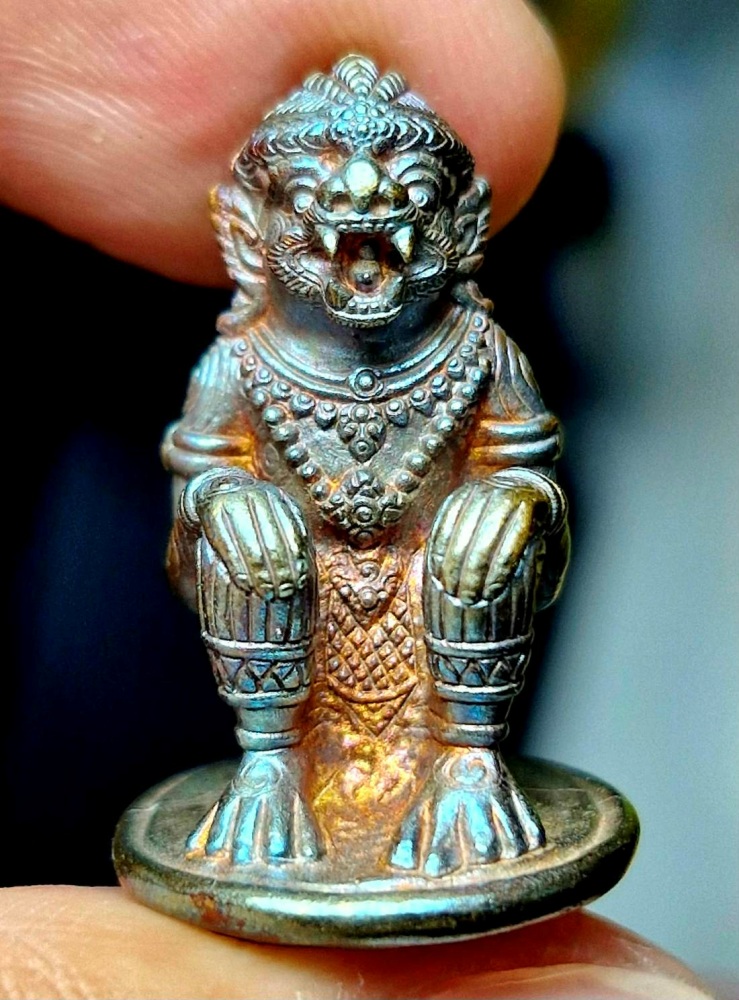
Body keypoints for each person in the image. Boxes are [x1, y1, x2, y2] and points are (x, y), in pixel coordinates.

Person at [0, 0, 714, 995]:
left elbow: (529, 479)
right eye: (313, 196)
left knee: (488, 523)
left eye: (408, 195)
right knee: (237, 530)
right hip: (283, 636)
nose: (367, 209)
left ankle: (466, 762)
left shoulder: (479, 353)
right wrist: (222, 500)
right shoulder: (239, 365)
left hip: (444, 631)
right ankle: (268, 764)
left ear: (458, 228)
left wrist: (512, 501)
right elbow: (192, 502)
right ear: (252, 232)